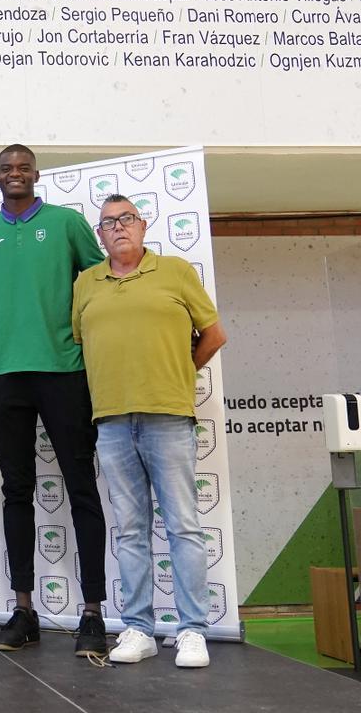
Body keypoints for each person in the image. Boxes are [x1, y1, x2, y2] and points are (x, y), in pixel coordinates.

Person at [0, 144, 109, 656]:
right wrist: (2, 330)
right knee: (16, 491)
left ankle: (93, 613)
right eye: (7, 168)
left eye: (24, 167)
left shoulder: (67, 223)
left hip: (65, 371)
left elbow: (97, 282)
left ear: (36, 174)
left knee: (82, 488)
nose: (15, 174)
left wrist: (74, 331)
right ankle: (24, 610)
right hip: (4, 376)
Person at [72, 195, 226, 669]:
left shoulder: (176, 271)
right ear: (99, 236)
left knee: (183, 525)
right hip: (112, 421)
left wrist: (179, 373)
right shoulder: (85, 283)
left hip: (168, 417)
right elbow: (83, 341)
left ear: (142, 225)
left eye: (127, 220)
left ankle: (192, 630)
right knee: (132, 530)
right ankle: (138, 628)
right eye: (108, 224)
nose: (118, 228)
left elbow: (214, 335)